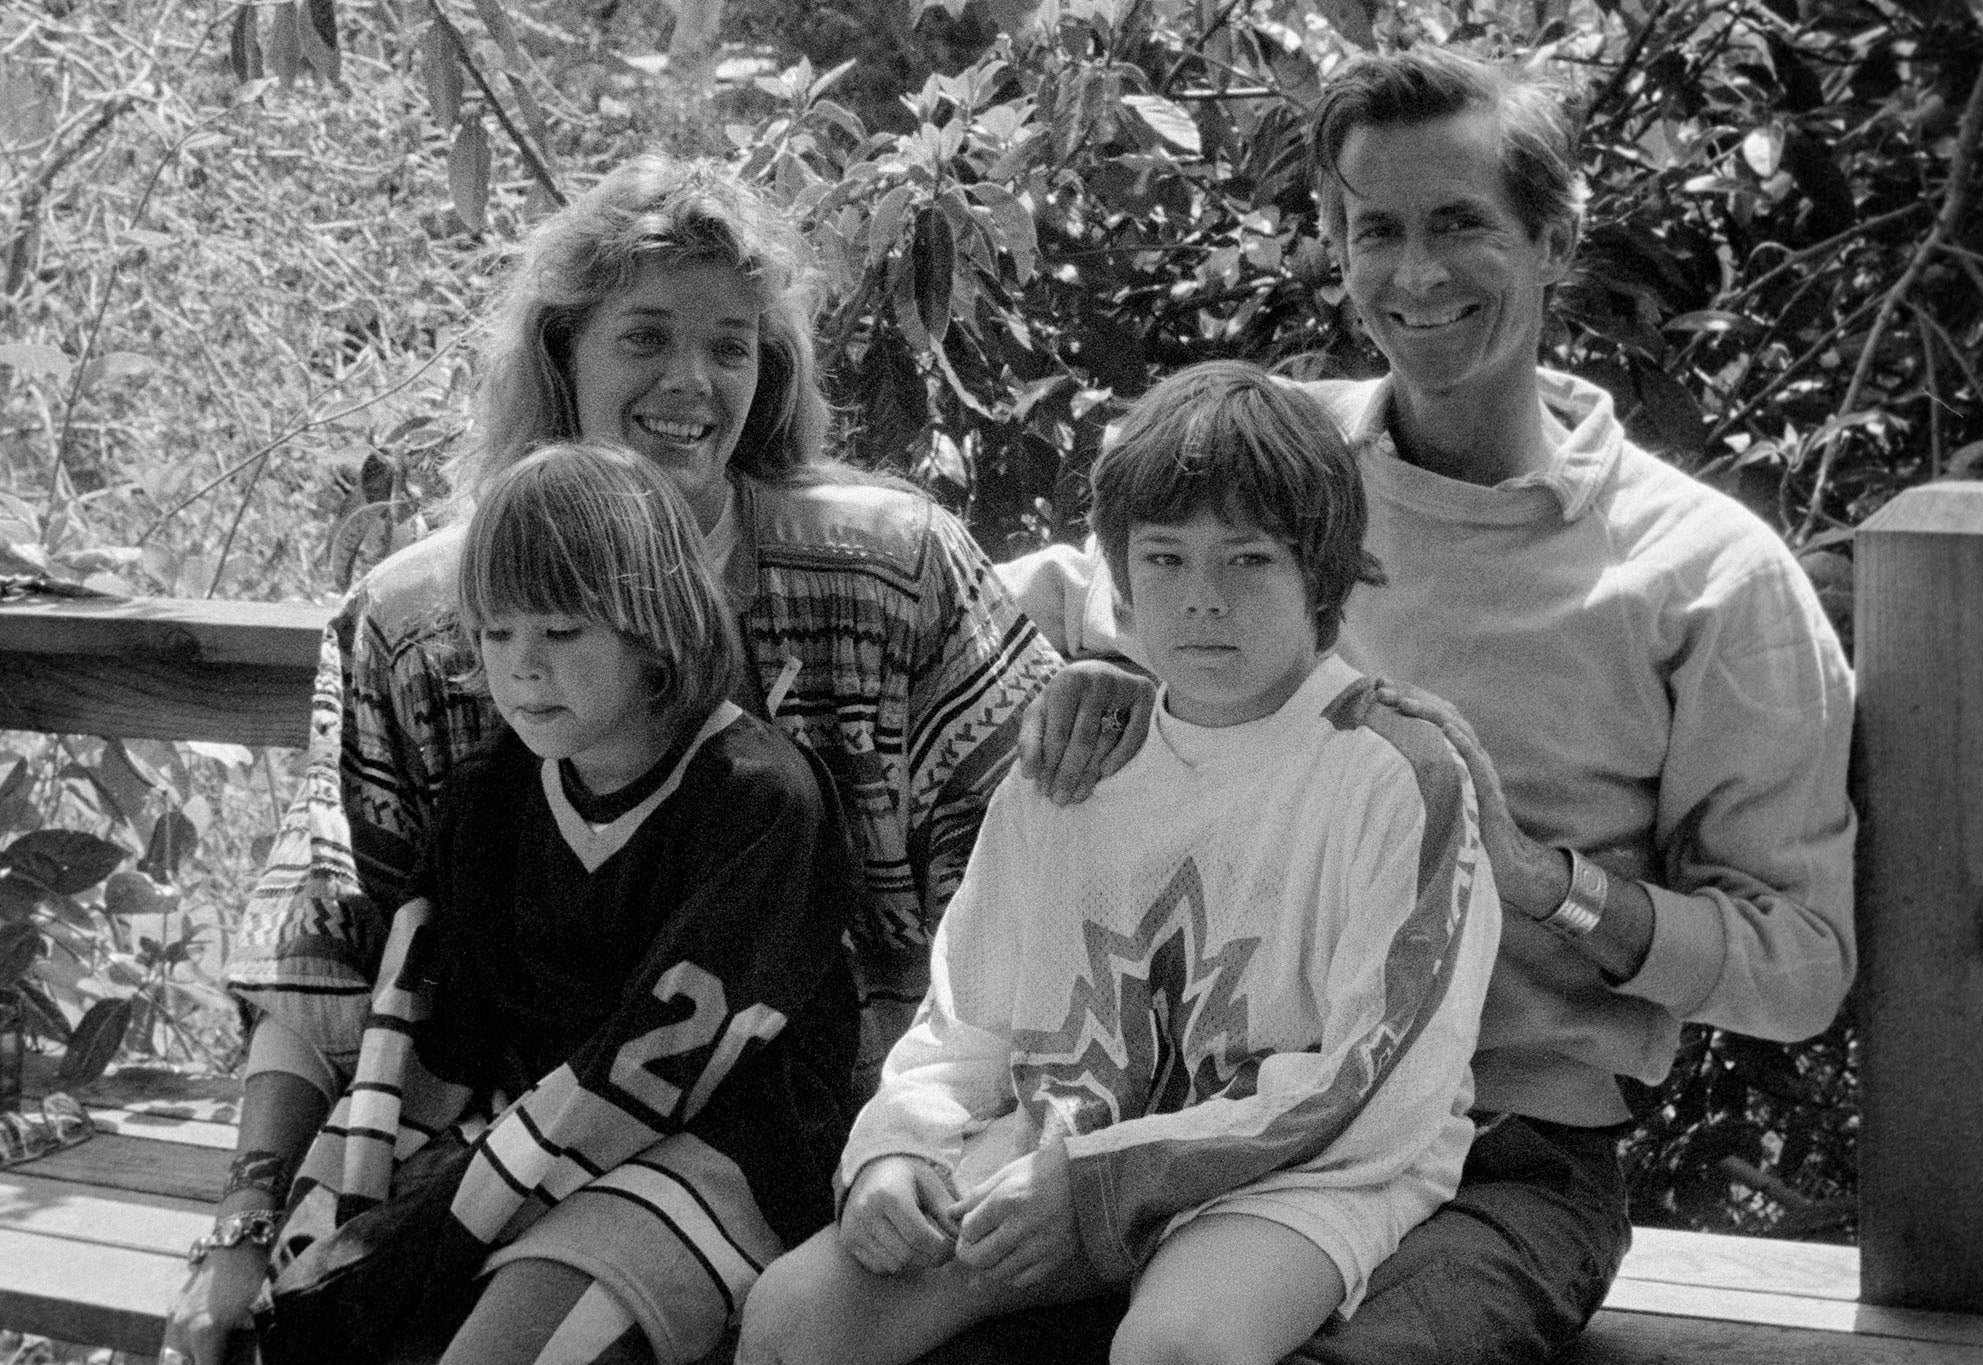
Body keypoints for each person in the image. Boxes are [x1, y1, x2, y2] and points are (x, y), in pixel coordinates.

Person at [998, 45, 1856, 1364]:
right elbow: (1059, 599)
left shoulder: (1706, 573)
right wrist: (1093, 681)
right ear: (1335, 244)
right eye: (1375, 231)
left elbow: (1801, 967)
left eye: (1460, 224)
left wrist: (1548, 885)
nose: (1416, 275)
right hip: (1213, 1114)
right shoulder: (1272, 468)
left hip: (1506, 1160)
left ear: (1556, 237)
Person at [167, 154, 1060, 1365]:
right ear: (561, 355)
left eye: (731, 346)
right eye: (644, 337)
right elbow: (330, 959)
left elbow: (1045, 865)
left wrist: (1109, 709)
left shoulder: (888, 572)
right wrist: (239, 1229)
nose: (691, 383)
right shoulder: (421, 618)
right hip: (511, 1140)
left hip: (837, 1152)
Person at [737, 361, 1501, 1365]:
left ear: (1321, 574)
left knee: (1177, 1347)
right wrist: (895, 1151)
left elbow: (1370, 1076)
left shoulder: (1395, 771)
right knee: (797, 1317)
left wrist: (1096, 1182)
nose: (1202, 601)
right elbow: (967, 1022)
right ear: (1122, 582)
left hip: (1299, 1170)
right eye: (1166, 559)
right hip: (1063, 1157)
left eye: (1248, 561)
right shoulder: (1074, 758)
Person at [258, 440, 860, 1364]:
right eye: (497, 633)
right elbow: (429, 1020)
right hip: (531, 1132)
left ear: (656, 622)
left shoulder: (760, 800)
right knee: (317, 1297)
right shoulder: (497, 791)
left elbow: (653, 1071)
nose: (523, 667)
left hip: (717, 1153)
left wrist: (428, 1235)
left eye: (563, 631)